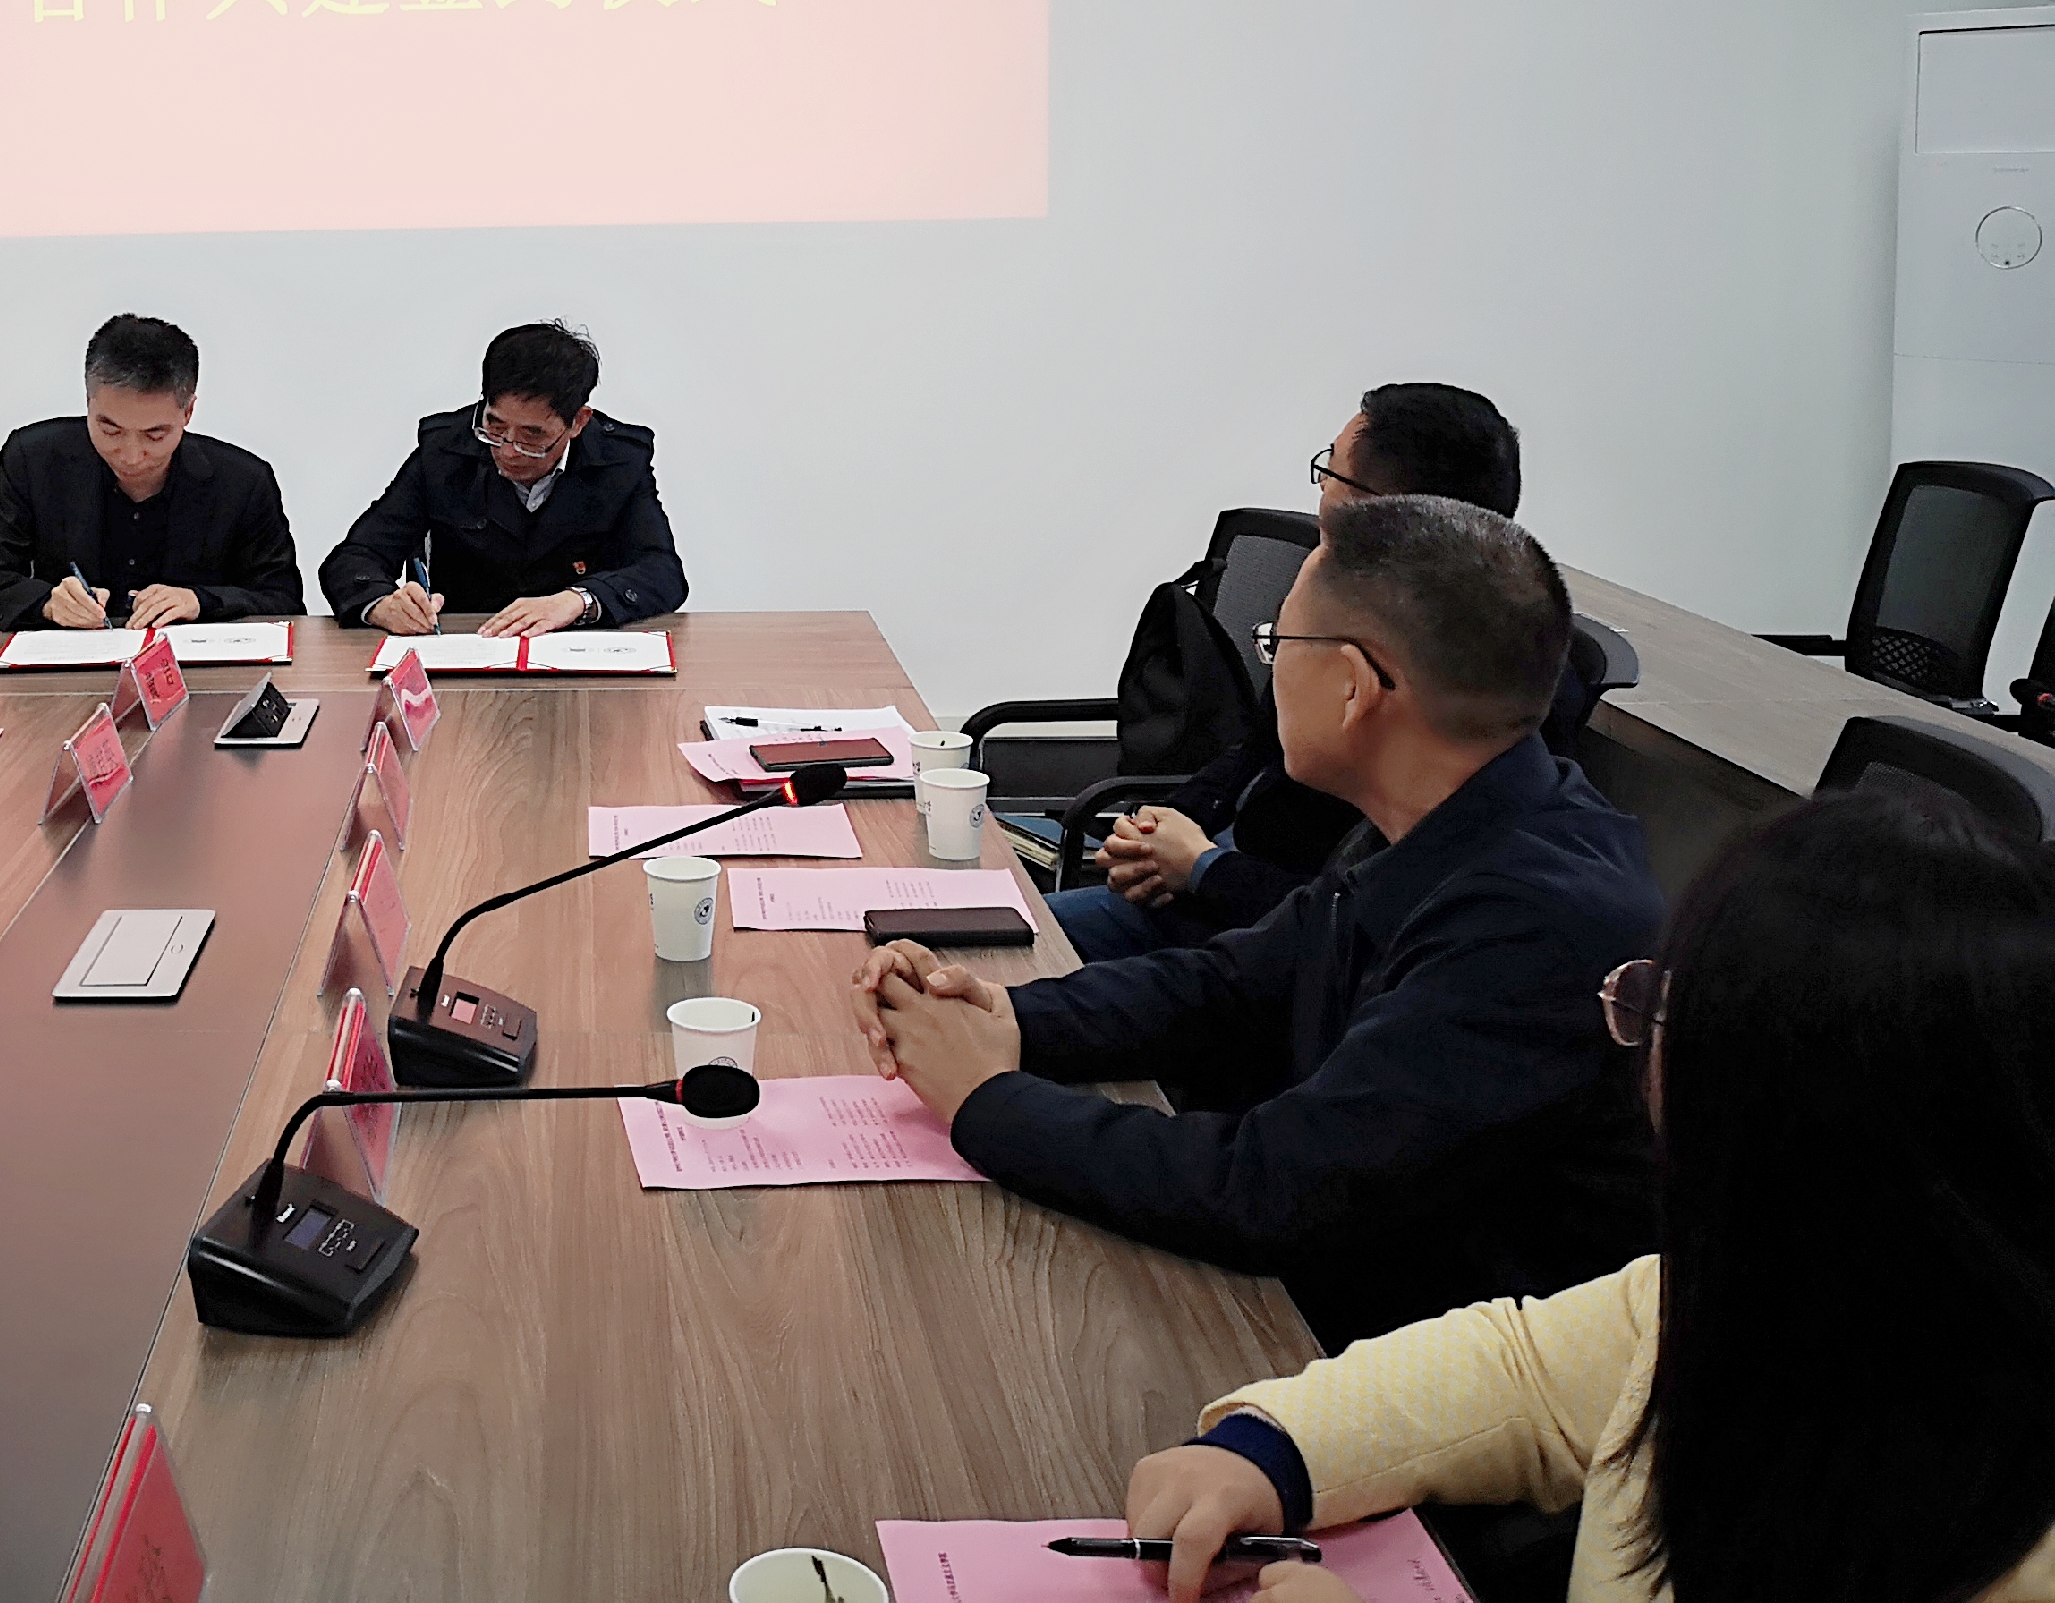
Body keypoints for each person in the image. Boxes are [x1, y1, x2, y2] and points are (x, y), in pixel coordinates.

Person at [1118, 783, 2055, 1603]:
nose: (1643, 1060)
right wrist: (1270, 1452)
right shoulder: (1737, 1287)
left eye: (1666, 1012)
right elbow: (1516, 1373)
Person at [852, 495, 1660, 1350]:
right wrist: (1006, 1015)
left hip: (1420, 1369)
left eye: (1278, 645)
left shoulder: (1537, 924)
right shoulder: (1452, 816)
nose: (1269, 674)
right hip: (1340, 1296)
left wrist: (986, 1099)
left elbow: (1272, 1190)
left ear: (1351, 685)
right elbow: (1234, 983)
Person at [1054, 382, 1571, 962]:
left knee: (1008, 949)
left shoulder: (1462, 690)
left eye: (1332, 471)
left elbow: (1343, 924)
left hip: (1244, 922)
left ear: (1382, 508)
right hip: (1214, 888)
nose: (1321, 487)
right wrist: (1158, 828)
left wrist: (1203, 868)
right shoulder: (1339, 606)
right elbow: (1253, 753)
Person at [319, 320, 686, 636]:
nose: (509, 450)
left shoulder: (620, 462)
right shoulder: (445, 451)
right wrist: (382, 604)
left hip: (576, 652)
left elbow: (662, 572)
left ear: (578, 422)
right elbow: (355, 558)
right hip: (466, 649)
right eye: (495, 427)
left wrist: (579, 600)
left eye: (533, 436)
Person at [0, 314, 302, 632]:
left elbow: (283, 599)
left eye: (155, 435)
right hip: (67, 668)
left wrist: (201, 601)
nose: (131, 456)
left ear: (188, 413)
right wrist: (47, 603)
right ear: (89, 402)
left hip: (194, 668)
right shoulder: (32, 459)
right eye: (110, 430)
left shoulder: (243, 481)